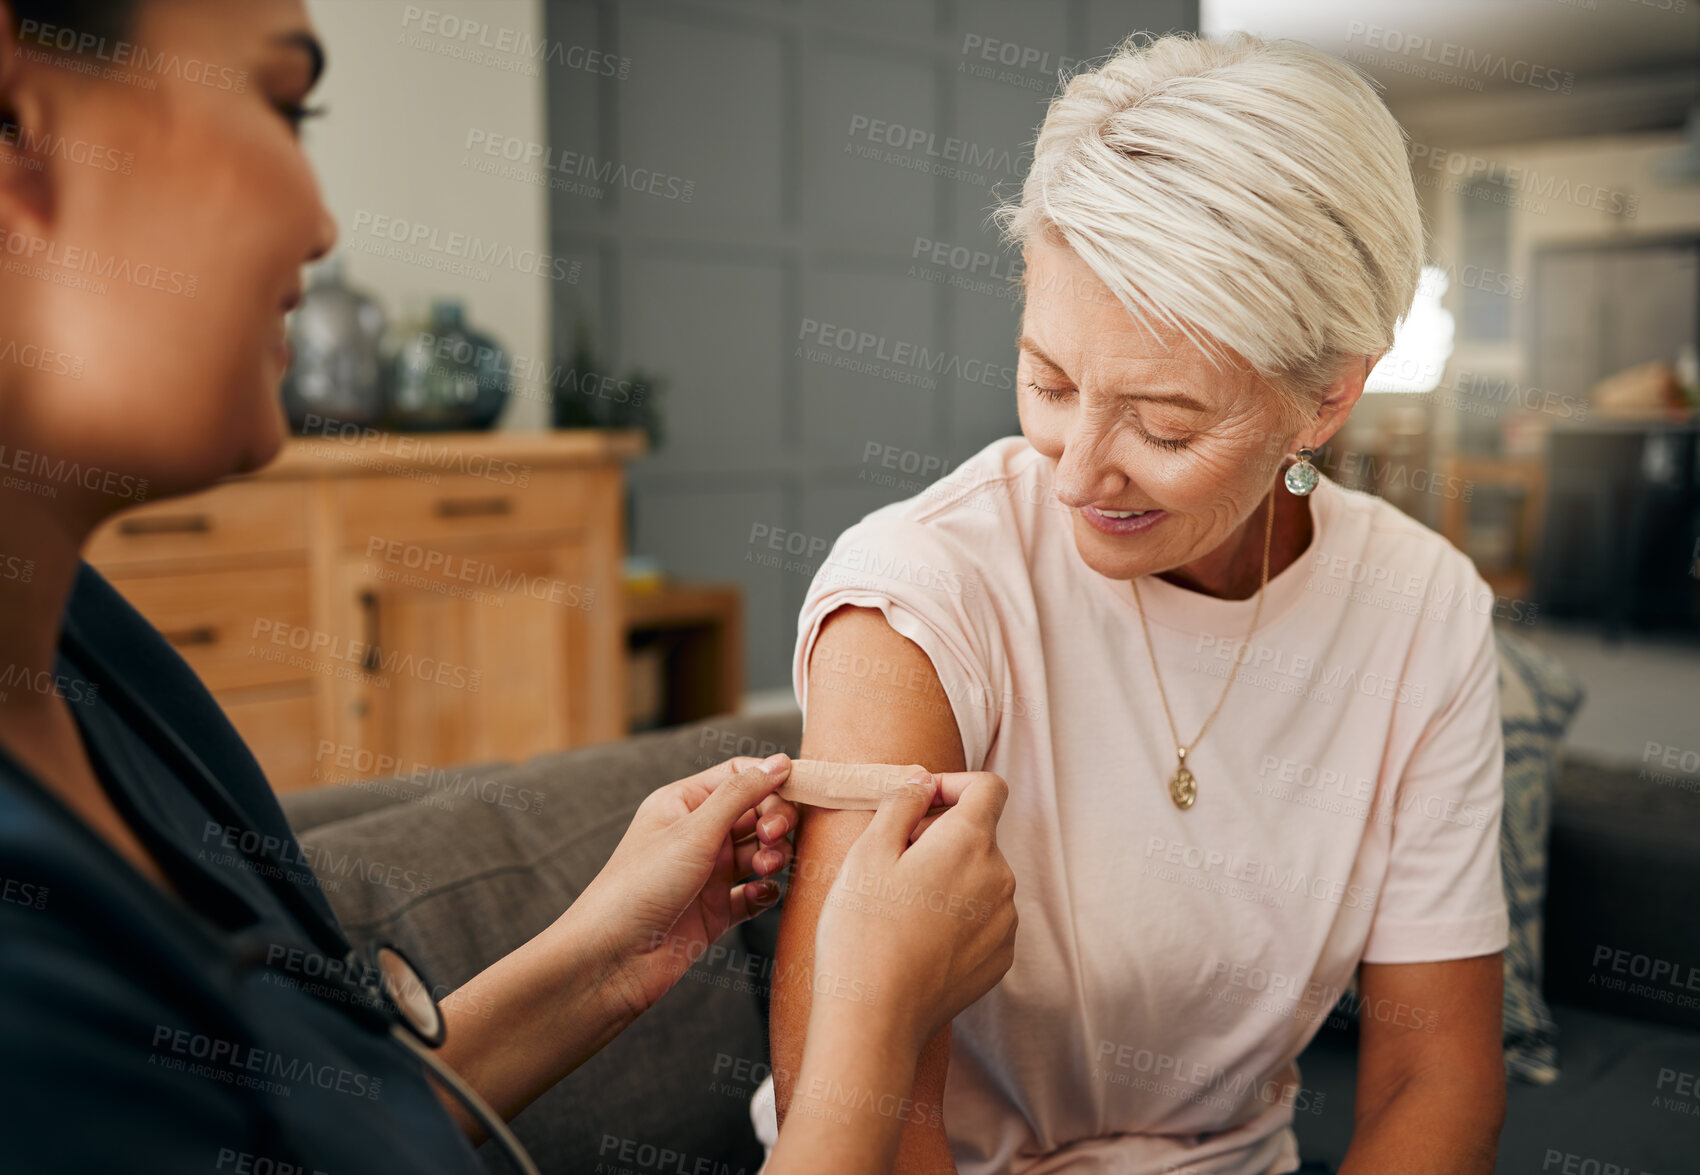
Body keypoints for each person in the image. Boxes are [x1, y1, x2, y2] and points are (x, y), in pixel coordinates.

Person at [0, 3, 1017, 1172]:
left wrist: (595, 961)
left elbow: (303, 1131)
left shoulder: (95, 667)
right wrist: (868, 1037)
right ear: (16, 119)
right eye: (286, 105)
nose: (323, 223)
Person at [766, 32, 1508, 1175]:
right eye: (1048, 382)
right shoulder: (914, 599)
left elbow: (1430, 1071)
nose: (1072, 473)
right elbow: (856, 1106)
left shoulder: (1422, 609)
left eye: (1163, 426)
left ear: (1325, 397)